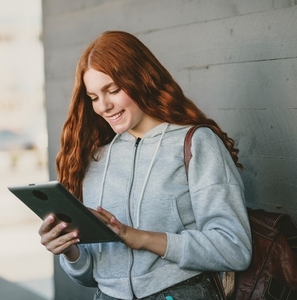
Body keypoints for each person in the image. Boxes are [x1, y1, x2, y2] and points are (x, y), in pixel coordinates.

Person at [38, 31, 252, 300]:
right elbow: (93, 274)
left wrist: (140, 237)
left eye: (112, 90)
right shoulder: (95, 159)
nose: (103, 106)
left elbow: (234, 249)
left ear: (141, 79)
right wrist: (69, 250)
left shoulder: (195, 144)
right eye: (93, 97)